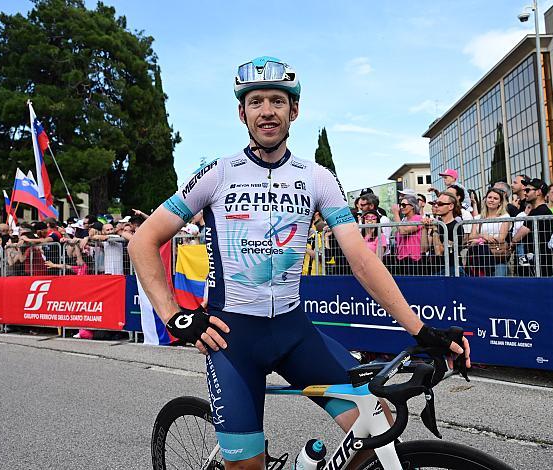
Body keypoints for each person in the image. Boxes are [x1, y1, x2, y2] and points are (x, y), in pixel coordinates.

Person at [127, 55, 470, 470]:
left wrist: (421, 329)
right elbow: (143, 241)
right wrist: (173, 314)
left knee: (379, 423)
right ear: (242, 112)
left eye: (277, 100)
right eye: (256, 102)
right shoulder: (217, 173)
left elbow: (360, 258)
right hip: (232, 338)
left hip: (293, 331)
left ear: (294, 110)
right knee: (246, 466)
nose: (267, 111)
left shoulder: (317, 177)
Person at [511, 178, 553, 276]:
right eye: (524, 190)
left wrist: (512, 242)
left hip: (538, 259)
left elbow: (519, 235)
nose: (525, 193)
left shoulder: (539, 211)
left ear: (538, 192)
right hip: (537, 258)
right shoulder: (538, 210)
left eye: (528, 190)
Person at [465, 189, 511, 276]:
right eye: (489, 197)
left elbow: (501, 239)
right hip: (480, 259)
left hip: (497, 257)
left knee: (498, 284)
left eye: (495, 198)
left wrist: (479, 240)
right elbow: (471, 237)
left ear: (500, 202)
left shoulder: (505, 217)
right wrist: (484, 236)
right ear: (486, 199)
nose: (492, 200)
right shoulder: (478, 218)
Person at [426, 192, 463, 275]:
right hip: (436, 270)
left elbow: (439, 252)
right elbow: (424, 248)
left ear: (451, 206)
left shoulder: (456, 227)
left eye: (440, 204)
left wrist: (435, 230)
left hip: (452, 271)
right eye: (436, 203)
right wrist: (424, 228)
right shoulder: (438, 225)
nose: (436, 206)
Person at [391, 195, 423, 275]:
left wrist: (395, 213)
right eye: (400, 205)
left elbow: (403, 231)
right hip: (401, 257)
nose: (401, 207)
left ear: (412, 206)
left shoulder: (418, 218)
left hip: (414, 258)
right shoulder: (403, 221)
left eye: (404, 205)